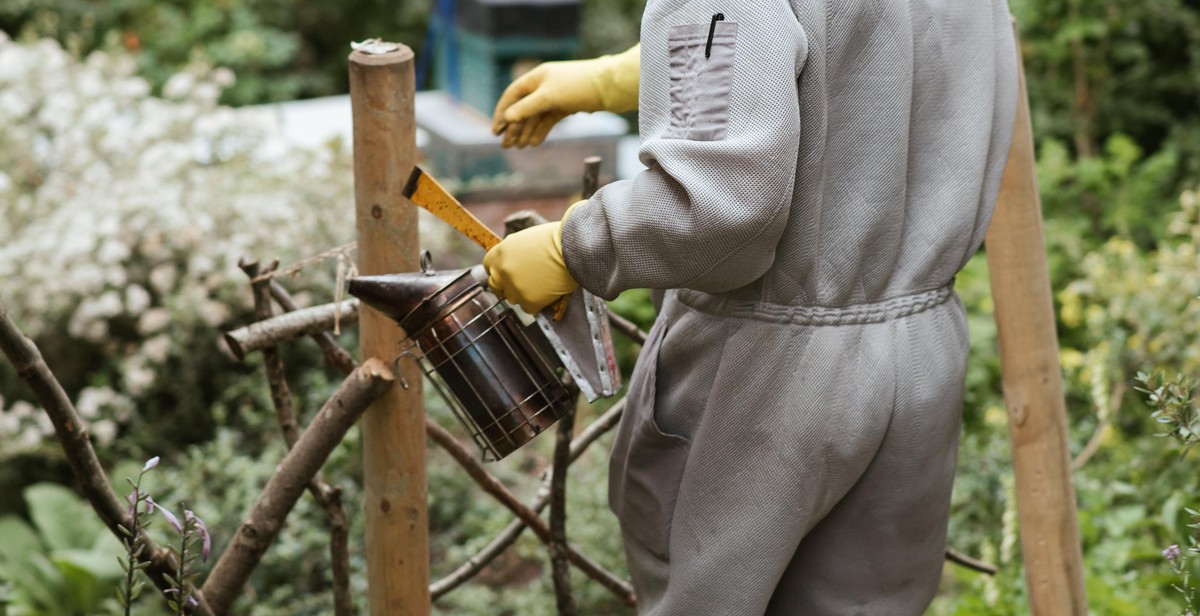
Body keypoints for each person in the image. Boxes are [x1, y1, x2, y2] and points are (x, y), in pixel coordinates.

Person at [483, 1, 1018, 613]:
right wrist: (620, 76)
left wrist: (571, 247)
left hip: (768, 377)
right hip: (922, 354)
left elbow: (718, 209)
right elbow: (876, 55)